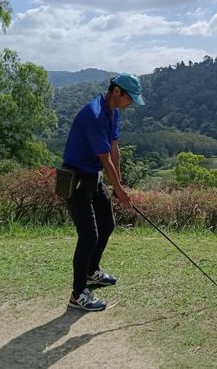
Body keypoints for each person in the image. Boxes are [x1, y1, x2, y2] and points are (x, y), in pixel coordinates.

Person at [62, 73, 145, 311]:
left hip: (94, 178)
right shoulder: (95, 115)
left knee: (107, 224)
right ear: (117, 91)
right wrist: (119, 191)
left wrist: (119, 184)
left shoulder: (113, 112)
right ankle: (78, 295)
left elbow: (115, 150)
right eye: (130, 98)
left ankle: (91, 272)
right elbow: (105, 158)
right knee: (88, 236)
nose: (131, 104)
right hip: (77, 181)